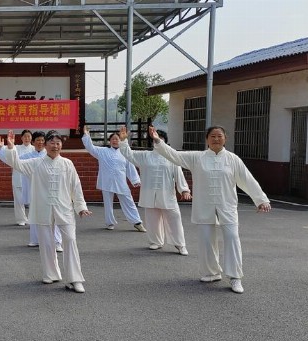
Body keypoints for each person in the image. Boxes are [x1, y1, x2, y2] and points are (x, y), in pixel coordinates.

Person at [150, 125, 271, 294]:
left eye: (219, 136)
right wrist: (158, 141)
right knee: (206, 240)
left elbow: (247, 180)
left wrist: (261, 200)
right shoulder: (197, 158)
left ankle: (235, 277)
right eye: (212, 136)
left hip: (227, 205)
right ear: (207, 139)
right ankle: (211, 272)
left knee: (232, 238)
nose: (216, 139)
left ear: (225, 139)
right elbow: (175, 155)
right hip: (204, 205)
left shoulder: (233, 159)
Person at [0, 130, 92, 293]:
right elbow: (16, 164)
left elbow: (76, 186)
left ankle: (74, 279)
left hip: (64, 209)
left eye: (58, 143)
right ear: (45, 145)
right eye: (52, 143)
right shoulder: (36, 163)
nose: (55, 146)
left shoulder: (68, 164)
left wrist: (81, 207)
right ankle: (51, 274)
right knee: (47, 243)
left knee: (70, 240)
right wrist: (11, 148)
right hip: (43, 208)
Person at [117, 126, 192, 255]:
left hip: (167, 194)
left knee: (174, 218)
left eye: (160, 139)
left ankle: (180, 244)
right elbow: (129, 154)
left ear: (164, 142)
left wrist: (184, 190)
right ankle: (156, 241)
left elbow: (178, 174)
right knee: (152, 219)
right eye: (154, 139)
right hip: (149, 193)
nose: (157, 141)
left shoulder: (172, 157)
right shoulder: (145, 156)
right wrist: (123, 141)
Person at [0, 130, 63, 251]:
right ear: (34, 142)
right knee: (34, 214)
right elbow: (14, 161)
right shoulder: (29, 157)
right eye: (38, 140)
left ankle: (57, 241)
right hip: (34, 189)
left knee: (53, 216)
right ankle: (35, 239)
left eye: (42, 140)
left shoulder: (50, 155)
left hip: (50, 191)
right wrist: (1, 148)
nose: (40, 142)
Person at [81, 125, 146, 232]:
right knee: (108, 203)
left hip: (121, 182)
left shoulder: (125, 152)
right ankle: (110, 223)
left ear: (120, 140)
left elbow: (130, 167)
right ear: (110, 141)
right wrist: (87, 135)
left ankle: (137, 222)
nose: (115, 141)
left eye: (117, 139)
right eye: (113, 139)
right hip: (107, 182)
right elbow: (90, 147)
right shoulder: (102, 151)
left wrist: (135, 180)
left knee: (128, 201)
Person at [0, 129, 33, 226]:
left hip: (30, 178)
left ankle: (33, 218)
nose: (27, 138)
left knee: (33, 199)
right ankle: (21, 219)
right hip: (18, 177)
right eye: (25, 136)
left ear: (31, 138)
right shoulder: (15, 148)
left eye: (29, 136)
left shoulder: (34, 149)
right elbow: (2, 151)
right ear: (21, 138)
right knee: (19, 200)